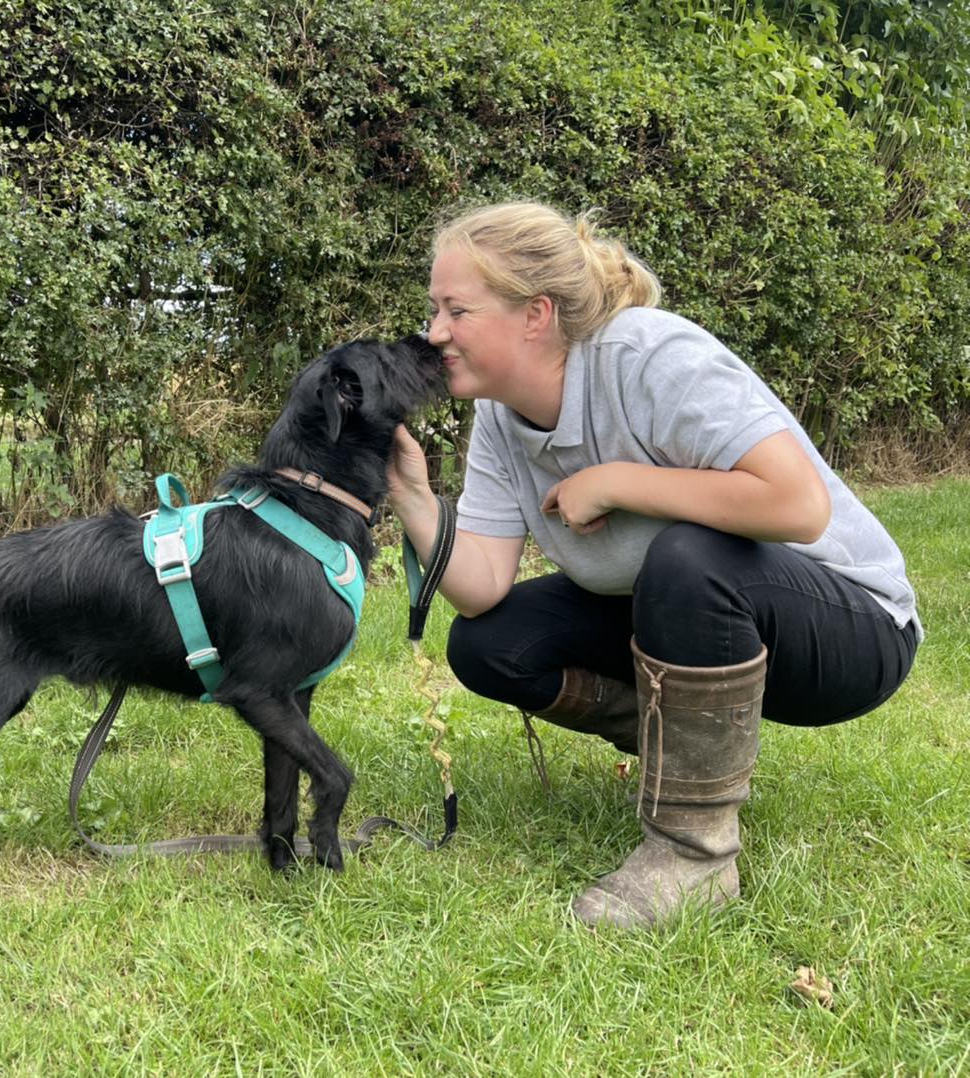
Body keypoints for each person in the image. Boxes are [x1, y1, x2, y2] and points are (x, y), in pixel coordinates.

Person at [388, 201, 921, 930]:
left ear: (535, 314)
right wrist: (413, 498)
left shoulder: (646, 357)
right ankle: (692, 760)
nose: (435, 332)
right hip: (697, 618)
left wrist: (616, 482)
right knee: (488, 644)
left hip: (853, 630)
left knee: (688, 555)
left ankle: (694, 857)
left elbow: (798, 506)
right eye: (433, 310)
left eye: (456, 310)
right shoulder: (500, 417)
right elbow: (480, 588)